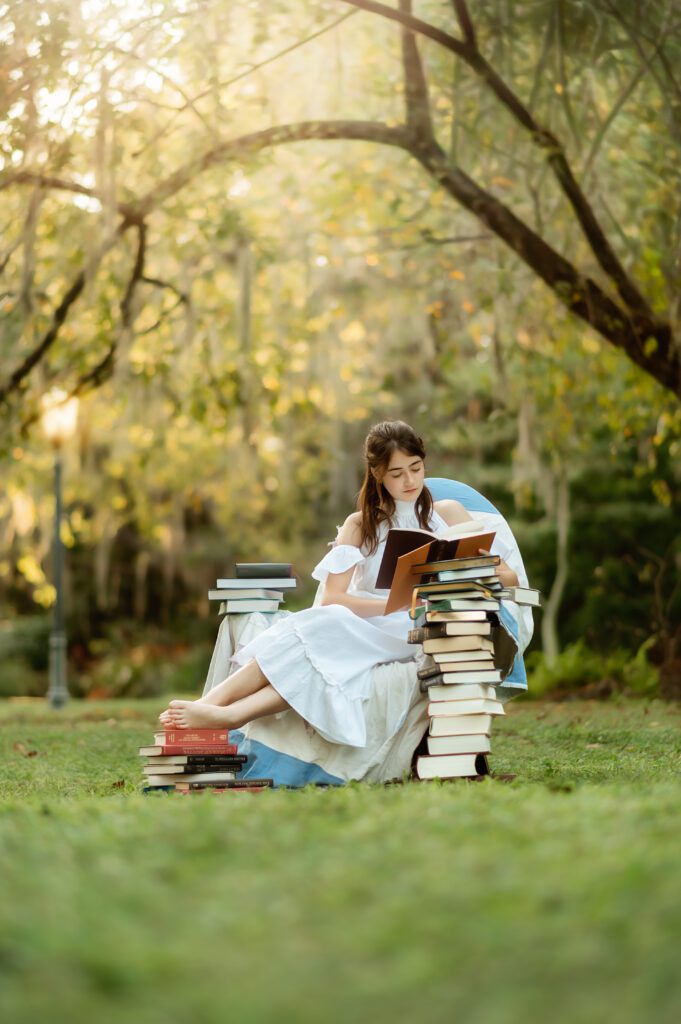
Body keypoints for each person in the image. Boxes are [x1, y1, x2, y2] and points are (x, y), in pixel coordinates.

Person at [159, 420, 518, 747]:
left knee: (319, 631)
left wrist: (466, 570)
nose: (409, 481)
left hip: (420, 625)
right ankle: (217, 709)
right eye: (396, 473)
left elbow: (509, 577)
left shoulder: (449, 513)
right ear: (377, 475)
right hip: (372, 618)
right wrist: (394, 602)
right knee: (319, 627)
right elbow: (333, 597)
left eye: (416, 468)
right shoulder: (360, 524)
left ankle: (222, 711)